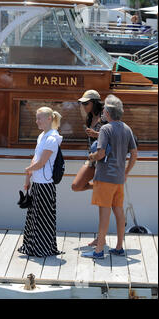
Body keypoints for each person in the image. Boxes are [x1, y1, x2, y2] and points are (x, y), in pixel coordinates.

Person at [82, 95, 137, 259]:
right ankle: (119, 247)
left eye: (105, 108)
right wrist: (126, 172)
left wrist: (91, 157)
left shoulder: (105, 129)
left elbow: (101, 154)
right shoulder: (127, 128)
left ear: (107, 112)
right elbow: (134, 154)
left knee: (104, 214)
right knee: (118, 212)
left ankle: (99, 251)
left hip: (105, 177)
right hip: (119, 178)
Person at [19, 107, 63, 257]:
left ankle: (42, 248)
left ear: (49, 119)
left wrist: (28, 170)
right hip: (38, 182)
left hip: (45, 184)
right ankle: (33, 247)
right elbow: (36, 158)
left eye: (39, 118)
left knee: (43, 218)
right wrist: (28, 177)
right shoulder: (42, 136)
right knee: (34, 217)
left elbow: (42, 162)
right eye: (36, 118)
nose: (36, 121)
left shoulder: (51, 139)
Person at [71, 90, 105, 192]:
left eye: (86, 103)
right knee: (76, 186)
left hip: (105, 159)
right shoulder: (89, 118)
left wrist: (97, 134)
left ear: (95, 103)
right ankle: (100, 186)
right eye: (82, 104)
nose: (83, 106)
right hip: (92, 158)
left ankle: (104, 186)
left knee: (108, 203)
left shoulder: (105, 117)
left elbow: (114, 136)